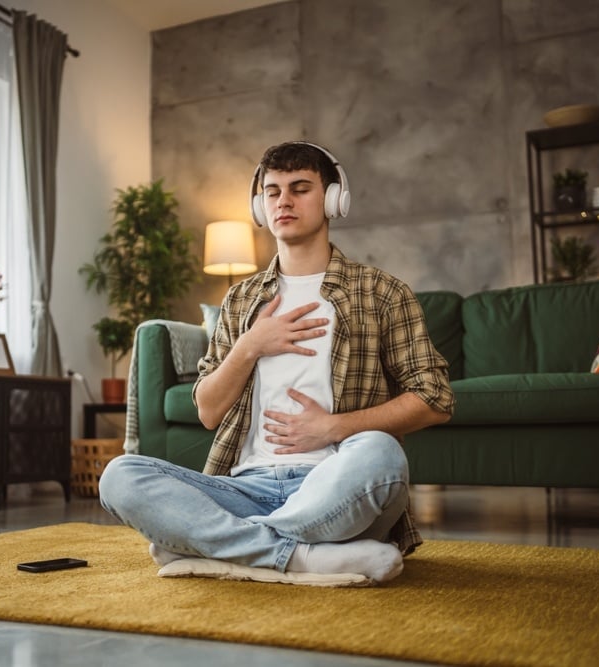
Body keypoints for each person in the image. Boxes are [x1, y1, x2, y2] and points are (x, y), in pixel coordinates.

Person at [99, 141, 454, 583]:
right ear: (259, 206)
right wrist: (250, 345)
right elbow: (208, 411)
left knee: (381, 451)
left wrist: (332, 428)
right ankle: (303, 558)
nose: (283, 200)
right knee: (120, 476)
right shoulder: (241, 299)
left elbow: (435, 398)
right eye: (272, 191)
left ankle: (222, 549)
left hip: (334, 485)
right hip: (245, 487)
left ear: (332, 200)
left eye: (300, 188)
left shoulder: (381, 292)